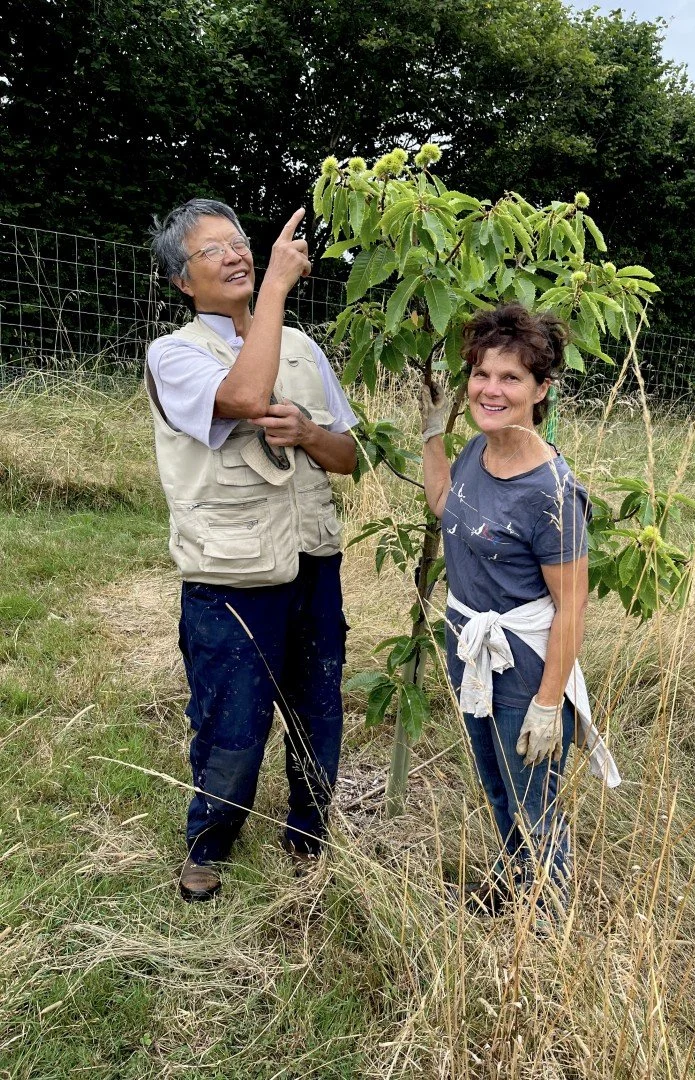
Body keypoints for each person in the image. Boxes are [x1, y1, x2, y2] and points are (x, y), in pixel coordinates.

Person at [147, 198, 357, 902]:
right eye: (214, 250)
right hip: (232, 572)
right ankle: (209, 844)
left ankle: (308, 833)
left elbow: (348, 455)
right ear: (184, 281)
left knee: (318, 706)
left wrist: (307, 432)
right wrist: (273, 287)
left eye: (240, 243)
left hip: (312, 560)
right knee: (232, 718)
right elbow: (240, 394)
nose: (236, 254)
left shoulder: (300, 347)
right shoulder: (174, 355)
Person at [419, 303, 620, 920]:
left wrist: (547, 703)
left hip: (523, 663)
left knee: (533, 797)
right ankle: (515, 889)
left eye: (510, 378)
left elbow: (572, 603)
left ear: (541, 390)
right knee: (495, 783)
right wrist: (432, 436)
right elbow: (446, 508)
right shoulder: (478, 451)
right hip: (470, 647)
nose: (491, 389)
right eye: (481, 374)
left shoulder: (551, 491)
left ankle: (548, 922)